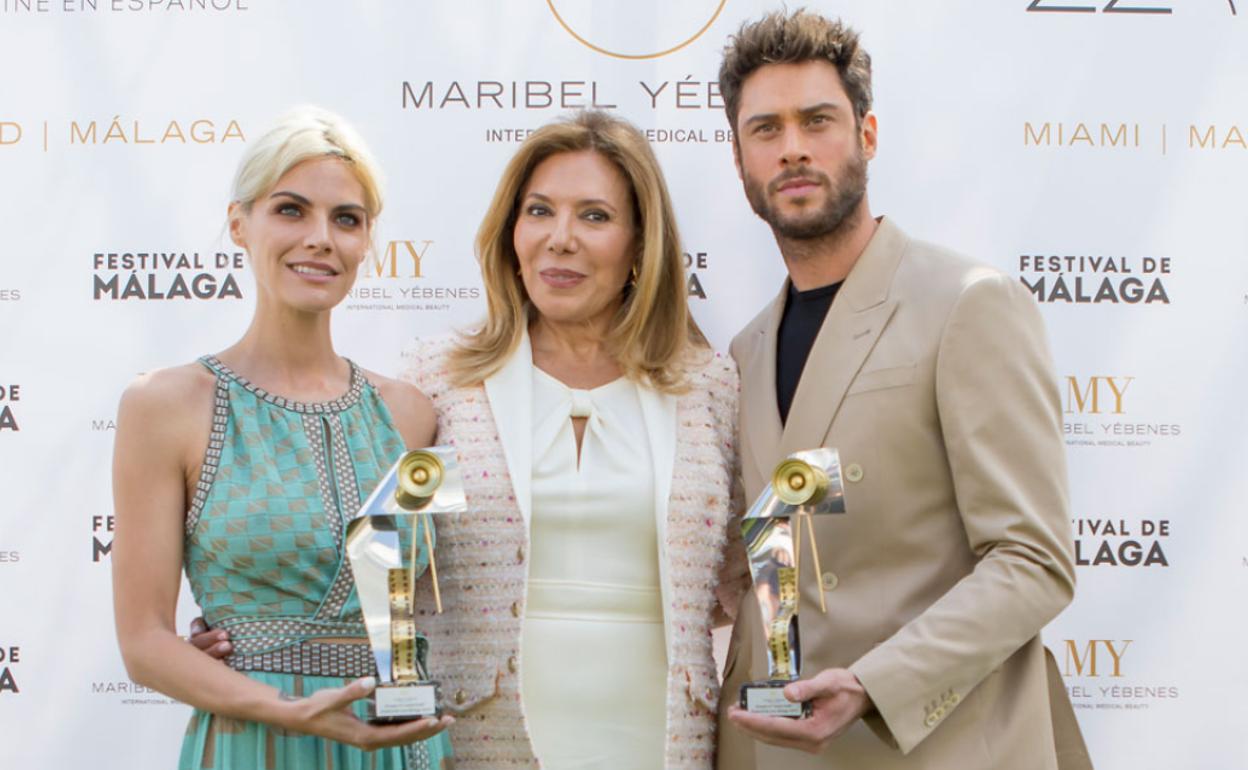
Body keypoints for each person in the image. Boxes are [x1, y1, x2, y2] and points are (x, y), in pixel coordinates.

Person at [712, 11, 1093, 770]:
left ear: (868, 134)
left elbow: (1033, 560)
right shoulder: (745, 351)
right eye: (766, 129)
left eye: (817, 120)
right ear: (739, 158)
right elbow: (768, 566)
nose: (792, 148)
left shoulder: (968, 302)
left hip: (943, 747)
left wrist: (874, 684)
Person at [398, 110, 743, 769]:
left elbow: (750, 580)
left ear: (641, 243)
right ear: (511, 232)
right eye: (539, 211)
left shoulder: (710, 387)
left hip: (661, 740)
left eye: (594, 216)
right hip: (479, 744)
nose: (560, 239)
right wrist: (268, 631)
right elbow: (381, 564)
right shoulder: (437, 379)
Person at [111, 106, 453, 769]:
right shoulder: (168, 405)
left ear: (365, 241)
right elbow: (143, 642)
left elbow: (418, 610)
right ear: (240, 224)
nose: (321, 238)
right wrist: (288, 709)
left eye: (346, 220)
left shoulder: (411, 413)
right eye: (291, 210)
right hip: (255, 740)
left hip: (395, 746)